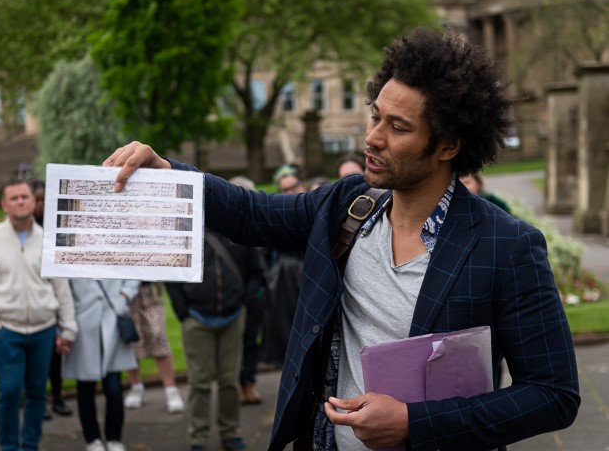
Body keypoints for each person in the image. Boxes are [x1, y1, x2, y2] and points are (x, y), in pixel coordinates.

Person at [103, 28, 580, 451]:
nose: (372, 137)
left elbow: (553, 395)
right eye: (376, 117)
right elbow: (252, 213)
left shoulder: (507, 246)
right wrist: (170, 174)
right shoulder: (348, 207)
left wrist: (415, 423)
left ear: (448, 146)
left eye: (398, 127)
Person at [0, 178, 77, 451]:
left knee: (37, 393)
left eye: (24, 197)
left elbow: (61, 288)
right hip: (7, 331)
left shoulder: (49, 240)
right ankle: (9, 446)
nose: (20, 202)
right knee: (9, 392)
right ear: (4, 204)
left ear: (34, 200)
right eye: (14, 198)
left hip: (44, 330)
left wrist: (68, 328)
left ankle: (30, 445)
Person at [166, 229, 267, 451]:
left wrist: (243, 301)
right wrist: (183, 311)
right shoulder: (187, 232)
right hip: (197, 318)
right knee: (200, 382)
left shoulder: (238, 230)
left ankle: (230, 433)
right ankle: (198, 438)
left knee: (229, 381)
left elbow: (256, 272)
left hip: (232, 316)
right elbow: (172, 271)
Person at [63, 279, 140, 451]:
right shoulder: (71, 251)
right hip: (83, 320)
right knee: (85, 386)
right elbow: (63, 285)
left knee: (113, 386)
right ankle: (92, 439)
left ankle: (114, 438)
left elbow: (133, 272)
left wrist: (125, 295)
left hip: (111, 317)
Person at [30, 180, 73, 420]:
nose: (39, 205)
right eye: (36, 199)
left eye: (44, 200)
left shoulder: (57, 227)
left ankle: (57, 396)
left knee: (56, 354)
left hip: (56, 296)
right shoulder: (27, 229)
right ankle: (37, 399)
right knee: (36, 359)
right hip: (35, 297)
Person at [261, 165, 306, 368]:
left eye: (292, 187)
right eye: (284, 189)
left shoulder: (315, 208)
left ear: (302, 185)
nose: (289, 193)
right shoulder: (279, 214)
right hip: (285, 278)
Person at [228, 175, 268, 405]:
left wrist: (248, 296)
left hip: (250, 298)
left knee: (251, 342)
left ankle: (249, 382)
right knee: (233, 346)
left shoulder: (252, 228)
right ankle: (234, 384)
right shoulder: (218, 228)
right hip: (228, 300)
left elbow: (258, 269)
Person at [123, 281, 185, 413]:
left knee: (158, 336)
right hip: (123, 290)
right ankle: (136, 386)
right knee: (131, 338)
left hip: (150, 288)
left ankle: (170, 389)